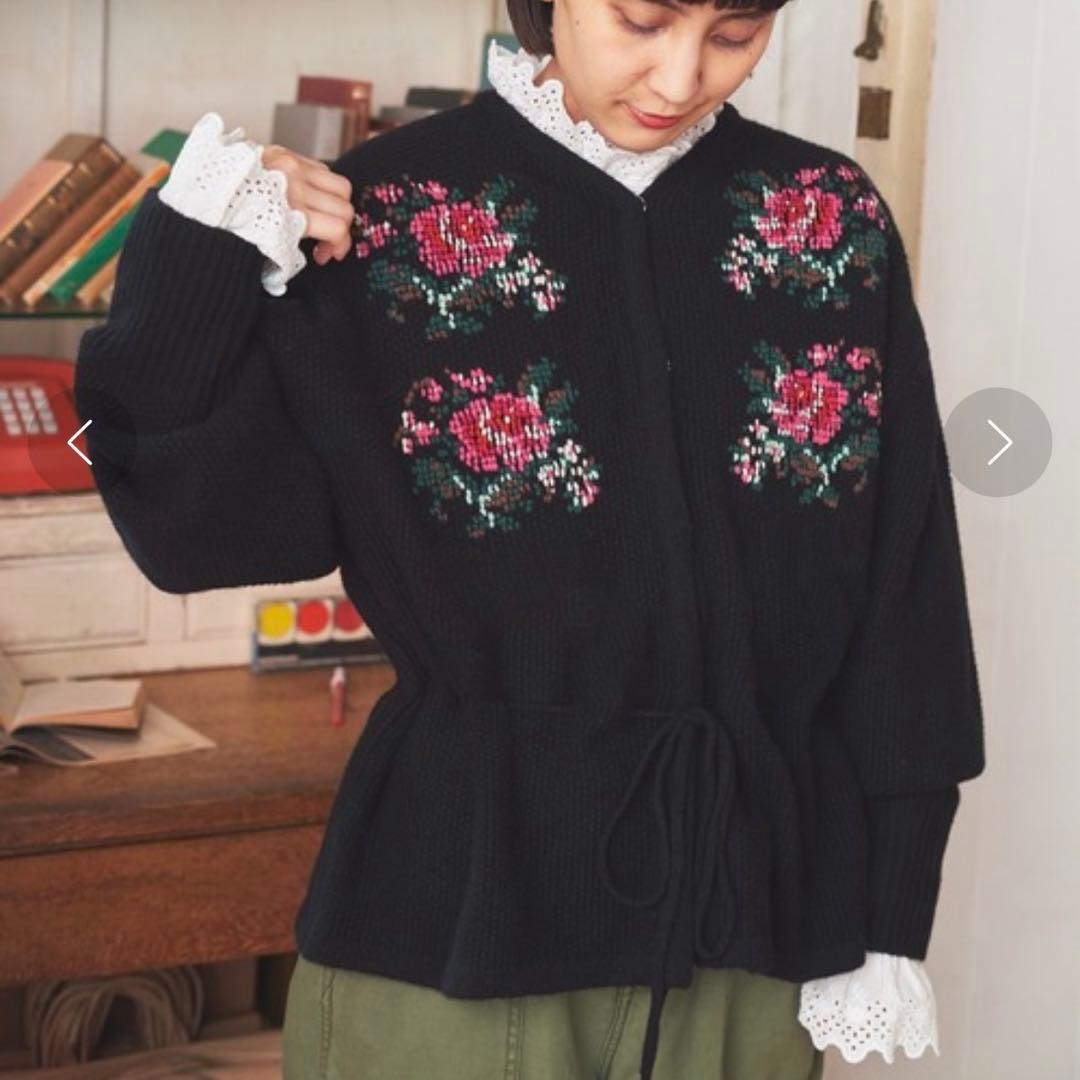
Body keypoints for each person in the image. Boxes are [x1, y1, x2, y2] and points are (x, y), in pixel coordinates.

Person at [74, 1, 987, 1076]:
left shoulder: (828, 216)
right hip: (451, 933)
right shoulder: (385, 211)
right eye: (642, 19)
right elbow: (197, 541)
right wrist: (191, 254)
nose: (681, 77)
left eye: (734, 35)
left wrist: (889, 905)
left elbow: (905, 592)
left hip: (752, 927)